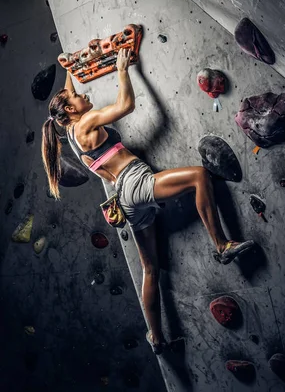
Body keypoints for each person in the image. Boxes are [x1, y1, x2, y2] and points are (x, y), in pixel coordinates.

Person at [41, 48, 255, 354]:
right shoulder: (86, 122)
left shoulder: (73, 134)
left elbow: (68, 92)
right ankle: (222, 245)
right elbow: (125, 105)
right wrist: (122, 69)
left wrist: (69, 66)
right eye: (76, 98)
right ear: (70, 111)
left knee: (151, 270)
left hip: (126, 201)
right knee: (199, 176)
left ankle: (156, 337)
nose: (83, 94)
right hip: (136, 182)